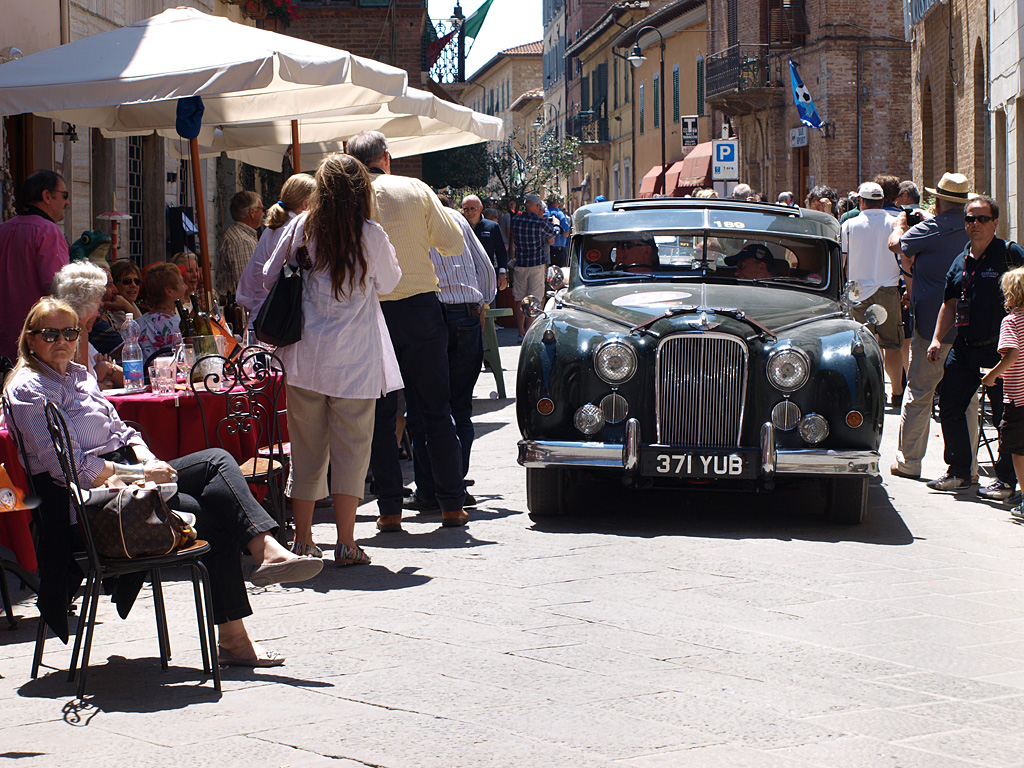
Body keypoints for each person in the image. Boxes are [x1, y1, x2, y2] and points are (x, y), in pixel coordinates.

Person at [4, 297, 323, 663]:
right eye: (50, 333)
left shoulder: (79, 375)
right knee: (214, 515)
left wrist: (147, 459)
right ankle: (241, 621)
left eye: (70, 332)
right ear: (30, 340)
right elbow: (72, 470)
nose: (61, 340)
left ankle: (266, 551)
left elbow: (123, 431)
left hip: (128, 479)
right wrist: (140, 474)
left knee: (217, 460)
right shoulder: (28, 390)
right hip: (88, 505)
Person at [263, 154, 401, 563]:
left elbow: (269, 273)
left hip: (305, 355)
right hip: (355, 360)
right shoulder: (370, 234)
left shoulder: (302, 226)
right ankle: (346, 542)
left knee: (306, 450)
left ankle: (303, 538)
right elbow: (390, 283)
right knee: (352, 451)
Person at [347, 130, 468, 532]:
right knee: (434, 408)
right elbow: (453, 243)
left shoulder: (346, 195)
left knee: (382, 417)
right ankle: (451, 504)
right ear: (387, 156)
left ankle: (389, 510)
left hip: (370, 313)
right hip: (419, 308)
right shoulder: (414, 188)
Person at [926, 196, 1024, 492]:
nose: (975, 224)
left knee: (1004, 418)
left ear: (995, 222)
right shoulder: (960, 260)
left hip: (1001, 350)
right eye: (970, 219)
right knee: (949, 406)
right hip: (965, 346)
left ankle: (1006, 480)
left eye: (982, 219)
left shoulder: (1010, 253)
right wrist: (935, 339)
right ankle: (958, 472)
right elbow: (950, 303)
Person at [405, 199, 497, 513]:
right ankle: (455, 484)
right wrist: (482, 304)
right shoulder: (455, 218)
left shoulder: (407, 222)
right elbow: (485, 267)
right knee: (459, 404)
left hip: (426, 314)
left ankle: (430, 489)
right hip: (466, 314)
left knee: (422, 407)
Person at [888, 172, 972, 482]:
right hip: (967, 328)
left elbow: (895, 245)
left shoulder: (932, 228)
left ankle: (910, 461)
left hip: (931, 326)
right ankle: (970, 467)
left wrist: (900, 224)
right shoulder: (973, 227)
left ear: (938, 200)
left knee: (920, 392)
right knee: (968, 399)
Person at [841, 181, 905, 406]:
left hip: (858, 290)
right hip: (888, 289)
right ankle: (897, 392)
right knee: (892, 345)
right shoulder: (894, 223)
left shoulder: (849, 224)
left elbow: (843, 260)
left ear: (861, 201)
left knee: (861, 345)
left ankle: (868, 392)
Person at [0, 170, 70, 361]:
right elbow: (57, 288)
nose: (67, 202)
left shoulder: (3, 229)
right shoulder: (48, 231)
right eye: (65, 195)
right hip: (37, 340)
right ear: (47, 196)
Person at [238, 174, 316, 332]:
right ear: (306, 204)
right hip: (278, 323)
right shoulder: (296, 230)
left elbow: (246, 288)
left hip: (262, 318)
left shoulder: (270, 230)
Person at [982, 267, 1024, 519]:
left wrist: (992, 375)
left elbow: (1013, 353)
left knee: (1018, 449)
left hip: (1018, 396)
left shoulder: (1011, 321)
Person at [51, 261, 123, 389]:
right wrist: (103, 383)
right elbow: (84, 389)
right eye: (98, 299)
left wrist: (107, 368)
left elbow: (130, 379)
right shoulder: (77, 331)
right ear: (87, 300)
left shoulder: (79, 331)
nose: (101, 305)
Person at [510, 193, 556, 340]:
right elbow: (554, 234)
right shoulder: (540, 223)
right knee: (534, 299)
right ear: (536, 207)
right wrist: (553, 222)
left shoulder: (515, 220)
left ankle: (520, 331)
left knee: (520, 299)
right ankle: (529, 331)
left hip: (520, 264)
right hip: (536, 265)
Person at [216, 191, 263, 301]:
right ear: (252, 212)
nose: (263, 214)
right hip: (241, 309)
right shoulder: (241, 241)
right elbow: (248, 285)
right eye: (261, 209)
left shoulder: (241, 237)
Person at [136, 262, 187, 362]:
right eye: (181, 283)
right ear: (169, 291)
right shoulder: (179, 325)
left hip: (145, 376)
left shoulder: (137, 324)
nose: (186, 287)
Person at [461, 194, 509, 291]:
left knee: (489, 305)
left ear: (480, 208)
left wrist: (502, 274)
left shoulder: (492, 227)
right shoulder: (459, 227)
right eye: (466, 209)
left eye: (473, 208)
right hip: (465, 276)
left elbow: (501, 252)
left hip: (487, 276)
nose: (469, 212)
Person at [109, 259, 143, 330]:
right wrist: (128, 308)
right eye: (127, 281)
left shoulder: (134, 306)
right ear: (114, 284)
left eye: (137, 281)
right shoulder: (111, 313)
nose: (133, 285)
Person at [545, 194, 572, 268]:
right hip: (557, 249)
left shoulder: (544, 212)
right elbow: (566, 233)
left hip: (544, 249)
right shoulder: (559, 214)